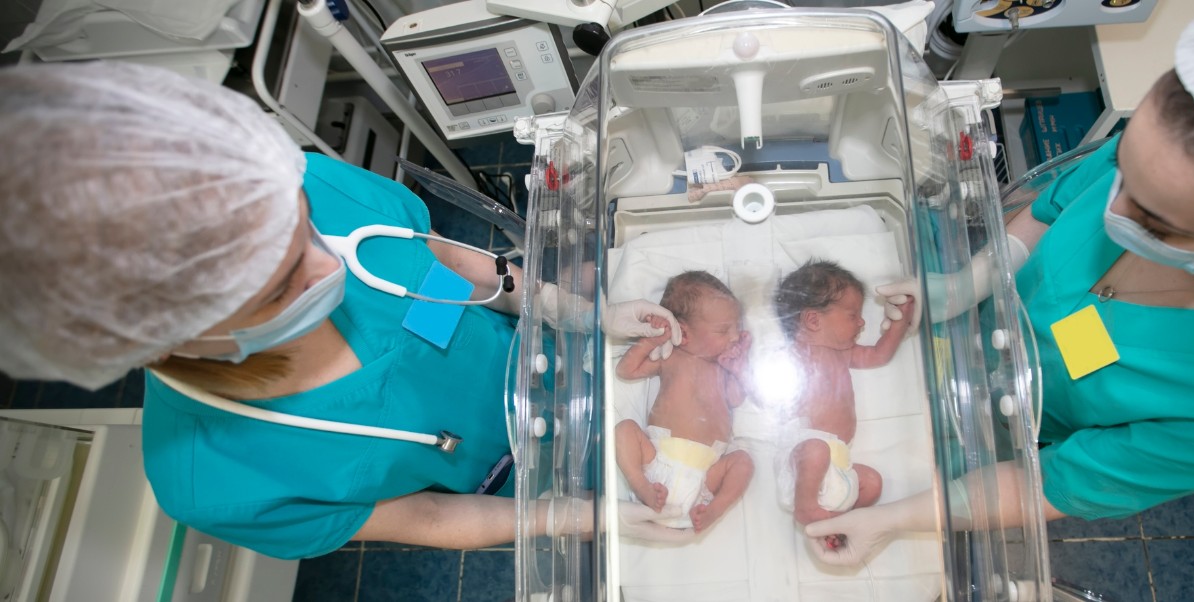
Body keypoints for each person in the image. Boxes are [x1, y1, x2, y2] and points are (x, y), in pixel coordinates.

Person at [808, 0, 1194, 564]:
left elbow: (1051, 483)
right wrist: (969, 283)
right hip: (975, 342)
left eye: (1155, 218)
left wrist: (892, 521)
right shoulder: (1174, 145)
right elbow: (1053, 211)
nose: (1114, 208)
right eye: (1123, 166)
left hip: (1016, 430)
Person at [0, 61, 686, 559]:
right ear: (166, 342)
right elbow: (421, 517)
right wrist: (573, 517)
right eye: (278, 287)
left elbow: (445, 263)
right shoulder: (211, 480)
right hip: (505, 484)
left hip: (544, 357)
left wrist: (567, 309)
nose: (332, 264)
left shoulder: (317, 187)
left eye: (300, 225)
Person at [773, 260, 914, 526]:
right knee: (816, 450)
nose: (862, 322)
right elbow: (767, 388)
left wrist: (901, 322)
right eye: (852, 316)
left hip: (839, 463)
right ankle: (806, 508)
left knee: (872, 483)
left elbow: (879, 355)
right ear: (813, 320)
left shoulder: (844, 353)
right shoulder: (791, 354)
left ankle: (836, 521)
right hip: (803, 457)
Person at [614, 270, 755, 532]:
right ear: (684, 334)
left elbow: (736, 398)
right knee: (624, 430)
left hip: (707, 474)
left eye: (738, 327)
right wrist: (651, 340)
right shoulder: (671, 357)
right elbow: (626, 371)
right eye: (724, 330)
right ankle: (639, 484)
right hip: (658, 461)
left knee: (743, 462)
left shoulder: (722, 367)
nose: (735, 337)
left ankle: (716, 507)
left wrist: (739, 367)